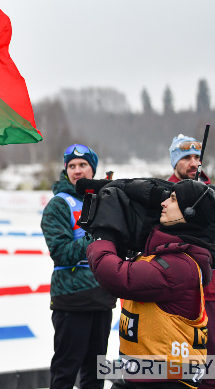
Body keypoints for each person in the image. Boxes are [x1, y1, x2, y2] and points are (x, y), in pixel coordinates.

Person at [87, 179, 215, 389]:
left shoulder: (180, 265)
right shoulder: (163, 256)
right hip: (144, 373)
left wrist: (104, 236)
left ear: (190, 212)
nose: (164, 203)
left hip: (167, 377)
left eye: (173, 199)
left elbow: (118, 277)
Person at [40, 144, 117, 389]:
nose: (77, 170)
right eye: (71, 166)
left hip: (102, 297)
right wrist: (96, 237)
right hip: (72, 298)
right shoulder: (59, 205)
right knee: (65, 370)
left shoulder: (104, 201)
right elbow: (62, 253)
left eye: (83, 165)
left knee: (95, 373)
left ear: (93, 169)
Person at [168, 134, 214, 389]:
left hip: (211, 291)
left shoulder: (210, 193)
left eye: (197, 157)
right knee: (184, 363)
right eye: (186, 157)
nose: (193, 162)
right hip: (179, 292)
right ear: (174, 161)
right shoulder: (163, 194)